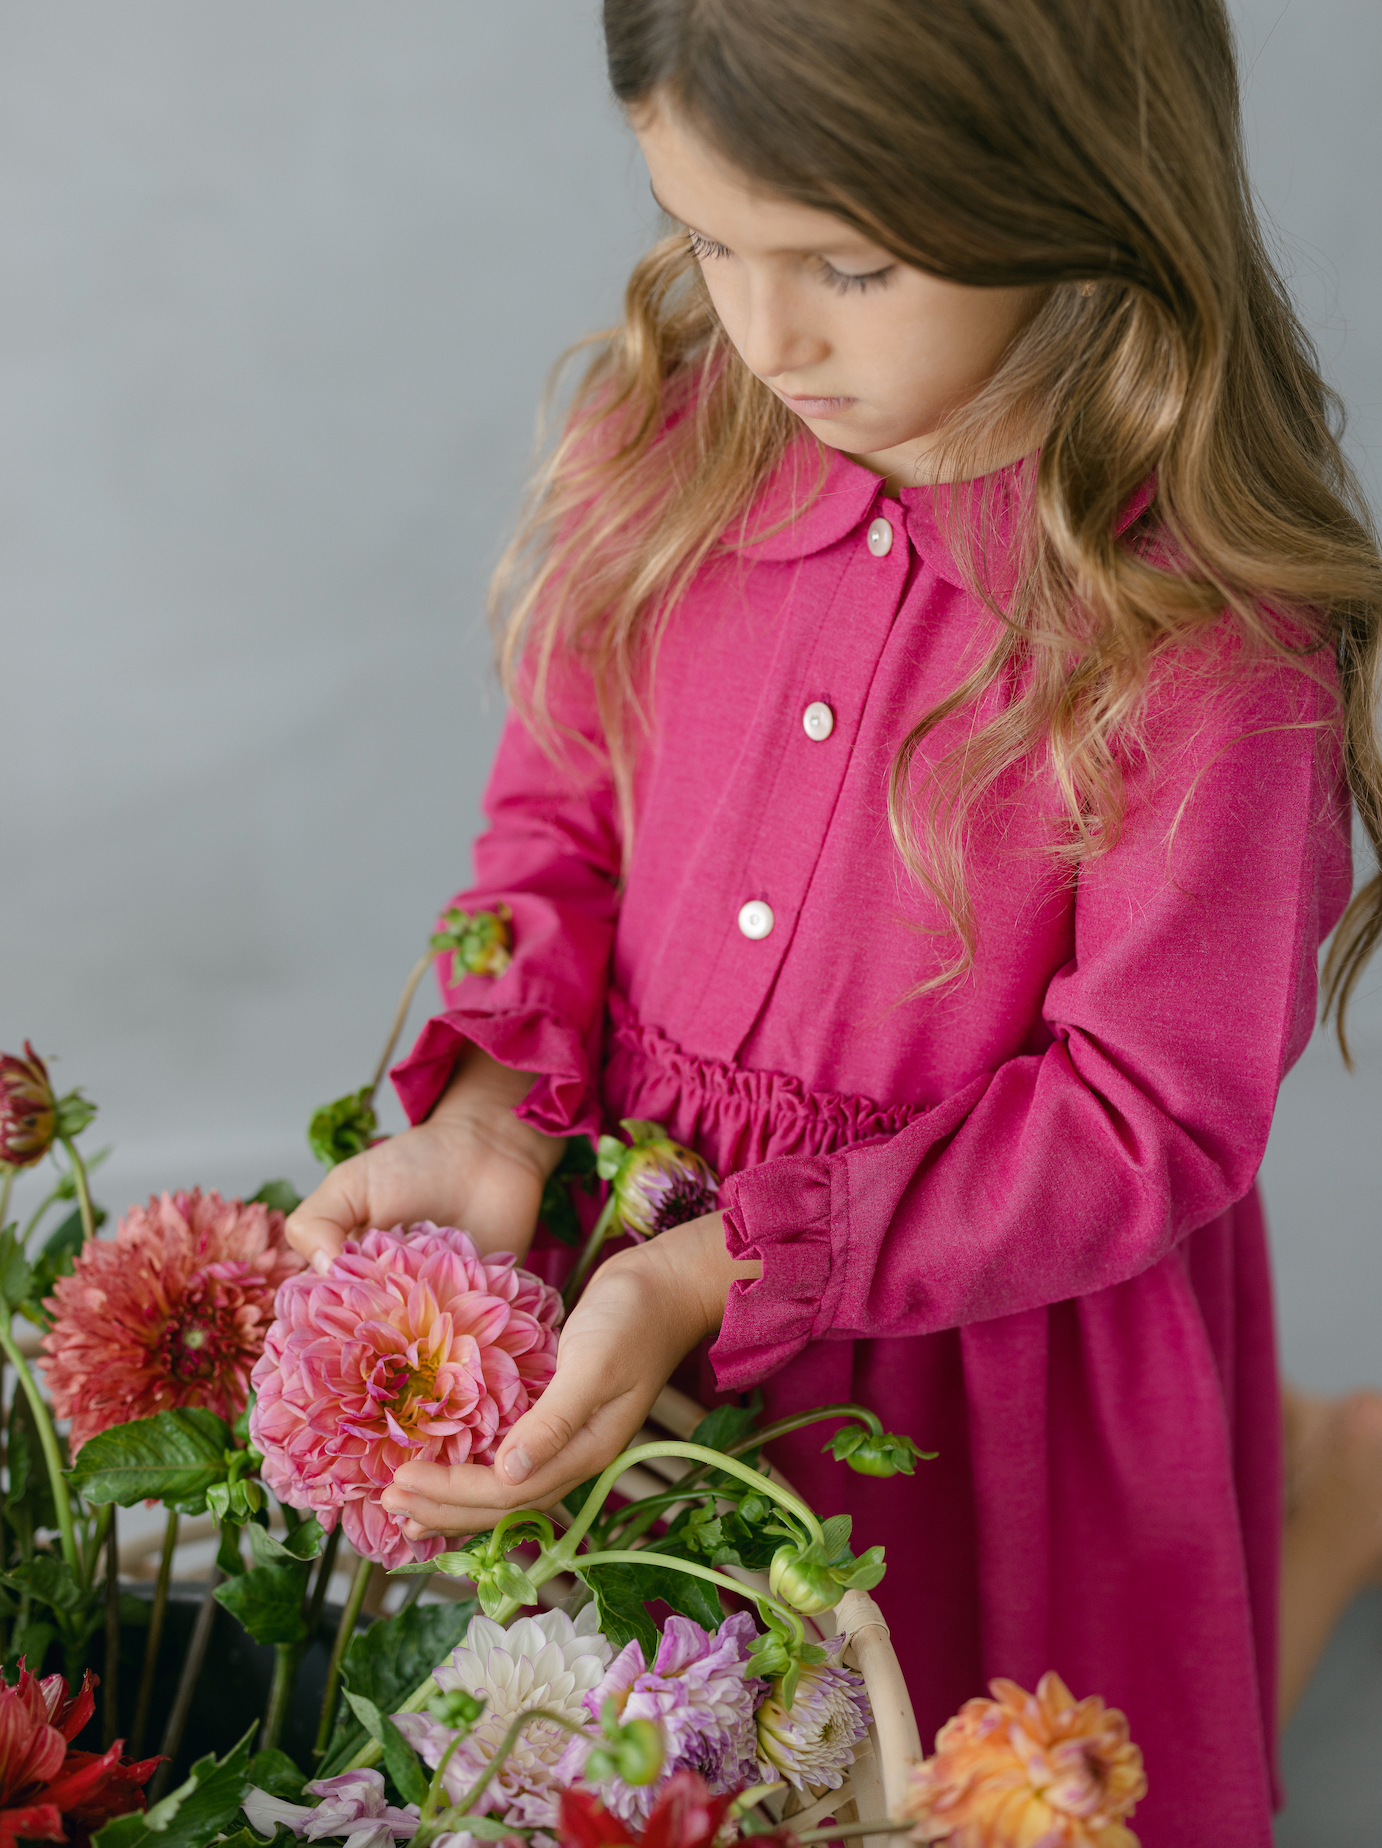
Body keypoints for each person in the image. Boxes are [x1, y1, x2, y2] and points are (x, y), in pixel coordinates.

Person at [284, 3, 1382, 1841]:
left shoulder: (1201, 642)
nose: (765, 331)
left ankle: (1322, 1498)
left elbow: (1142, 1116)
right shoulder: (675, 434)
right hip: (647, 1270)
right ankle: (1311, 1468)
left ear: (1078, 188)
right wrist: (486, 1118)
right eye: (708, 236)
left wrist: (730, 1266)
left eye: (847, 265)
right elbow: (549, 833)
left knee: (1019, 1766)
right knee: (722, 1765)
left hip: (997, 1352)